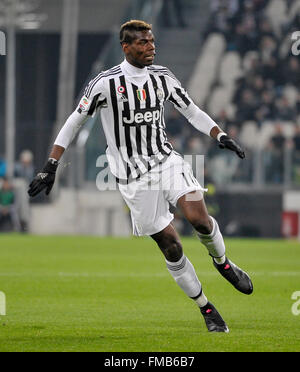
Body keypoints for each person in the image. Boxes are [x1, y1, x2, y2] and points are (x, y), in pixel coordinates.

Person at [28, 20, 253, 333]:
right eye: (143, 43)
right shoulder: (105, 84)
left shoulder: (163, 77)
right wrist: (51, 164)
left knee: (199, 217)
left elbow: (192, 111)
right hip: (132, 179)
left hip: (166, 162)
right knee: (171, 246)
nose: (151, 47)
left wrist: (220, 135)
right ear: (126, 47)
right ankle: (207, 308)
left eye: (152, 41)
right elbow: (73, 122)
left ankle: (223, 263)